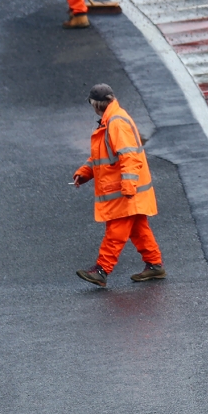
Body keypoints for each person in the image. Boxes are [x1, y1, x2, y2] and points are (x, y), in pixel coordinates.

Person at [72, 84, 165, 288]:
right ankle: (154, 264)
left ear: (95, 105)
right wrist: (84, 172)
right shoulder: (111, 120)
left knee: (116, 231)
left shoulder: (116, 123)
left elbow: (129, 156)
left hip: (125, 190)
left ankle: (102, 270)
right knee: (138, 229)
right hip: (127, 188)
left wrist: (128, 186)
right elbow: (101, 156)